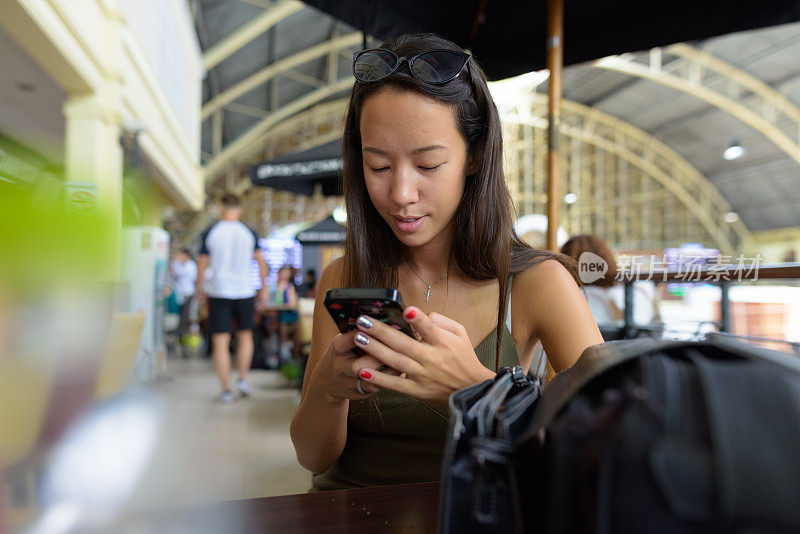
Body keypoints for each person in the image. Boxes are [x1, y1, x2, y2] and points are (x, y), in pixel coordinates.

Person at [290, 33, 603, 490]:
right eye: (378, 166)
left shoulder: (540, 283)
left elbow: (610, 446)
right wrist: (328, 388)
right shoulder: (345, 276)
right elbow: (311, 456)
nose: (400, 194)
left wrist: (475, 387)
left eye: (428, 166)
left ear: (474, 156)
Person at [196, 193, 268, 403]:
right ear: (240, 209)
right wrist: (263, 288)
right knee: (245, 336)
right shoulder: (249, 232)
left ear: (221, 208)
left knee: (221, 341)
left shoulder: (211, 232)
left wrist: (199, 289)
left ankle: (226, 390)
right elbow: (261, 263)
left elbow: (201, 264)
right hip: (244, 290)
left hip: (218, 291)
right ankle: (243, 379)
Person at [267, 265, 299, 362]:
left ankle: (284, 346)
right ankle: (275, 350)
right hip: (274, 313)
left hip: (287, 314)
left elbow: (292, 304)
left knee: (283, 321)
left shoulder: (290, 287)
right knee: (273, 321)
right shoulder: (272, 286)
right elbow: (268, 301)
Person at [170, 249, 198, 351]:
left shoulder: (191, 265)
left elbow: (180, 273)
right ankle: (179, 335)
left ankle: (184, 335)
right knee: (179, 317)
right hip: (178, 294)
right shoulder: (177, 264)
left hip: (188, 293)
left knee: (187, 317)